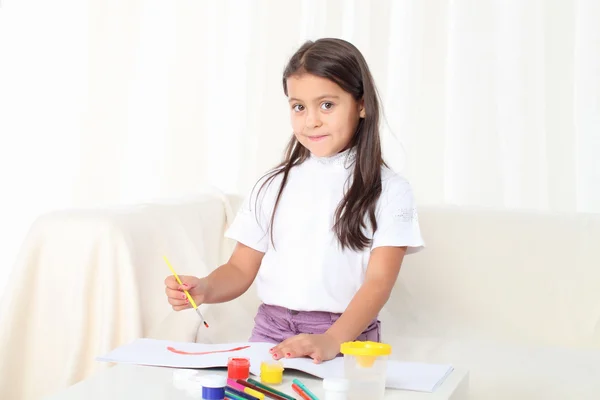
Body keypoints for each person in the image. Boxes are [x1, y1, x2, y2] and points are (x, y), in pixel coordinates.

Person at [164, 38, 424, 363]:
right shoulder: (272, 184)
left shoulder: (390, 190)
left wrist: (332, 340)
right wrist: (204, 288)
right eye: (298, 106)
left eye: (327, 105)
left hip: (345, 336)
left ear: (361, 104)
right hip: (270, 330)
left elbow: (378, 283)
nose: (310, 120)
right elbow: (239, 268)